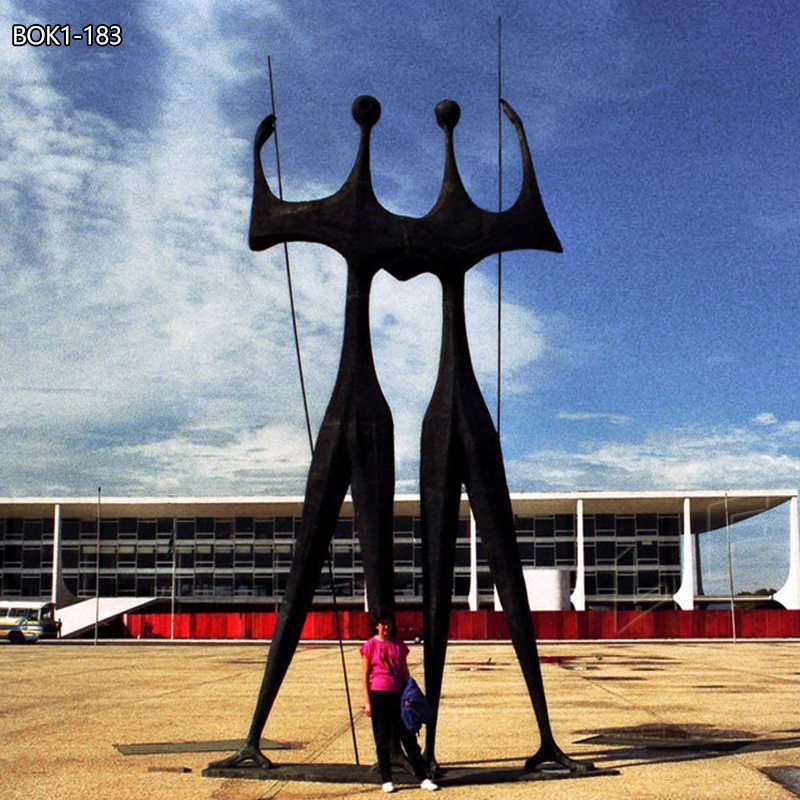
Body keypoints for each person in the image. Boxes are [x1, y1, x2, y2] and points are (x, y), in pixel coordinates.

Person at [361, 608, 439, 793]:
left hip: (398, 696)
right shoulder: (370, 646)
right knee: (382, 740)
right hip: (379, 695)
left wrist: (410, 695)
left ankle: (423, 777)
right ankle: (386, 779)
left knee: (409, 739)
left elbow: (405, 673)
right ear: (376, 626)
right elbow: (364, 675)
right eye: (383, 624)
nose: (386, 627)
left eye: (388, 623)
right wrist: (367, 701)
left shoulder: (398, 646)